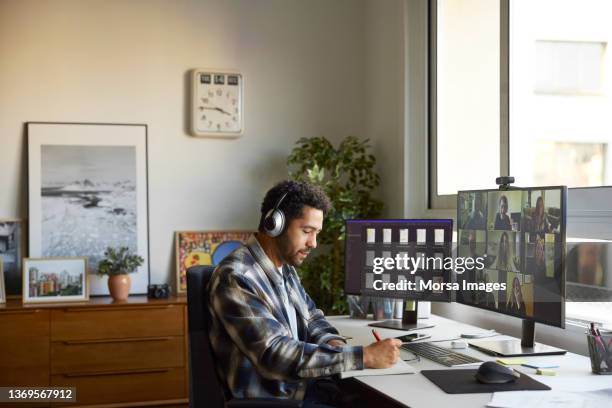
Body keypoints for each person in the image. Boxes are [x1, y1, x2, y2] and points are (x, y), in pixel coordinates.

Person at [207, 180, 401, 407]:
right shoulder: (237, 277)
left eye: (316, 233)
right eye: (307, 231)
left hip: (304, 387)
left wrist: (335, 344)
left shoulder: (283, 268)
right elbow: (274, 354)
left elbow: (312, 318)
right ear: (274, 225)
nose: (314, 243)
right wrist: (363, 357)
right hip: (278, 400)